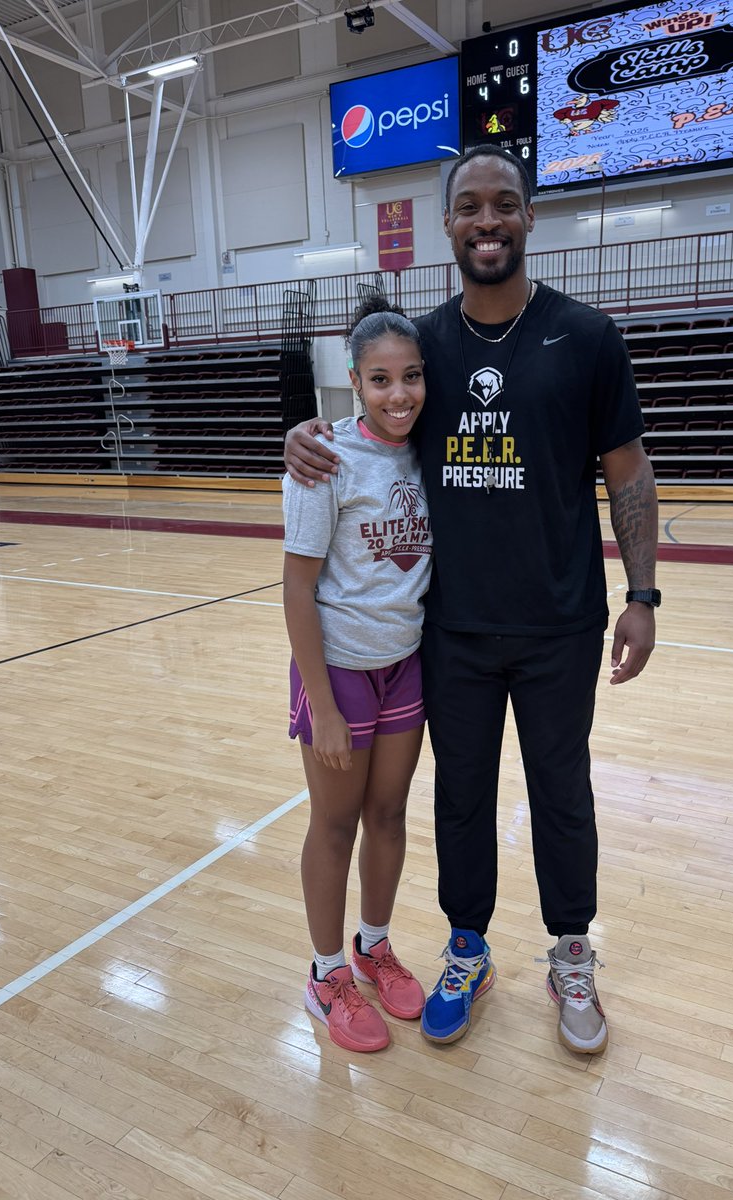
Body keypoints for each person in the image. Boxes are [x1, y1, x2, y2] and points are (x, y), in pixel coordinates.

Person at [285, 145, 659, 1056]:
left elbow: (629, 470)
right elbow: (371, 418)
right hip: (447, 629)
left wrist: (642, 593)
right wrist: (303, 436)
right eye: (468, 207)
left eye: (504, 204)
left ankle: (572, 953)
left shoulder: (589, 337)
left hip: (561, 621)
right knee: (459, 799)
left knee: (562, 793)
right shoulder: (426, 345)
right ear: (447, 225)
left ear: (529, 217)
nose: (486, 220)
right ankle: (466, 945)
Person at [283, 296, 431, 1052]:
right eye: (380, 379)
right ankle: (325, 972)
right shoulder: (324, 459)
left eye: (411, 377)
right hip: (337, 672)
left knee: (390, 818)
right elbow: (296, 587)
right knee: (335, 823)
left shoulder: (429, 449)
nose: (398, 393)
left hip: (404, 668)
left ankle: (374, 944)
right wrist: (321, 703)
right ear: (354, 381)